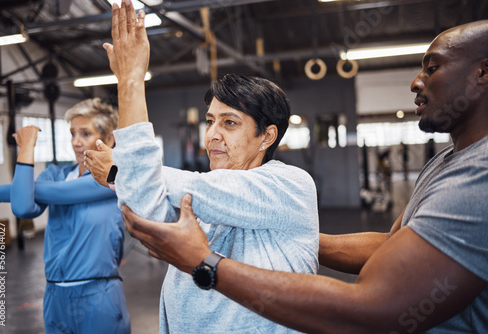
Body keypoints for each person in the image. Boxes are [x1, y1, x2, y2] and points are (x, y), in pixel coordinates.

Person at [121, 19, 488, 333]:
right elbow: (393, 244)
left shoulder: (481, 172)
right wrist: (294, 237)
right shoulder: (445, 162)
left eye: (432, 67)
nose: (416, 82)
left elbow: (375, 308)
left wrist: (206, 264)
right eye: (210, 122)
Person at [84, 1, 319, 333]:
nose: (212, 134)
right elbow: (144, 213)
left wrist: (132, 82)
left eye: (230, 123)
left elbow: (148, 180)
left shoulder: (289, 185)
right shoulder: (203, 197)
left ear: (267, 136)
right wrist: (126, 175)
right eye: (210, 121)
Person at [0, 98, 130, 334]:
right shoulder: (54, 174)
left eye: (85, 133)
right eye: (73, 133)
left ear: (108, 139)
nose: (76, 142)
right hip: (55, 296)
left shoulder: (114, 179)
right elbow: (23, 208)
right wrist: (27, 148)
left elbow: (58, 193)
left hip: (98, 295)